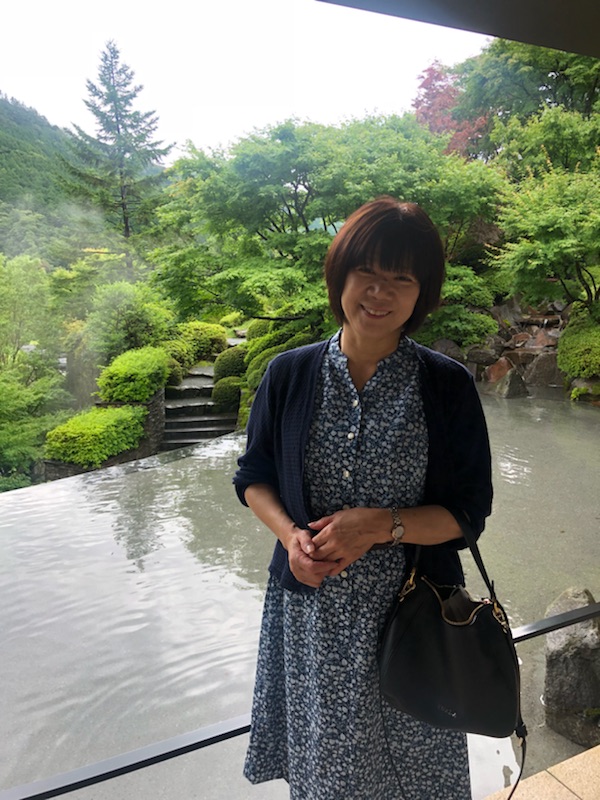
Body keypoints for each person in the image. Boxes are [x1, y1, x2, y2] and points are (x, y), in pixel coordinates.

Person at [233, 196, 493, 799]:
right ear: (340, 277)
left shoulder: (446, 386)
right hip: (313, 614)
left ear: (422, 292)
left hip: (417, 616)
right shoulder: (289, 375)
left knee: (421, 775)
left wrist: (380, 525)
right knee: (334, 776)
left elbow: (468, 515)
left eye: (401, 278)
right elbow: (253, 477)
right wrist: (289, 538)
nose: (380, 293)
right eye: (366, 273)